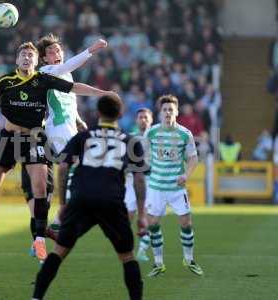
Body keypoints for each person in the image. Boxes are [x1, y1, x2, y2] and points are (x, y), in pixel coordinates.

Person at [0, 42, 116, 263]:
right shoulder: (6, 80)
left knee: (40, 187)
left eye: (30, 56)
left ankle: (40, 240)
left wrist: (103, 93)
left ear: (36, 62)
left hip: (34, 137)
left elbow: (74, 88)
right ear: (17, 60)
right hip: (9, 138)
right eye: (23, 55)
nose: (26, 58)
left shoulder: (43, 79)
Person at [32, 95, 147, 300]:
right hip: (111, 200)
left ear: (98, 113)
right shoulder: (130, 141)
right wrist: (142, 214)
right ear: (120, 114)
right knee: (127, 256)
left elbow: (64, 166)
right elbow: (139, 179)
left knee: (59, 250)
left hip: (81, 198)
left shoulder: (83, 136)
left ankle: (36, 297)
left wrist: (63, 204)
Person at [19, 34, 108, 255]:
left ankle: (41, 235)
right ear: (44, 59)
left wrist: (78, 120)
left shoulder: (65, 74)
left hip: (68, 131)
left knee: (53, 188)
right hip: (56, 131)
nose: (56, 55)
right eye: (51, 52)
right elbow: (70, 70)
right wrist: (92, 49)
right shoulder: (47, 72)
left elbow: (70, 100)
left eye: (58, 50)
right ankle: (59, 219)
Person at [144, 94, 204, 277]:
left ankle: (189, 259)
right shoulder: (151, 133)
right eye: (165, 110)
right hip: (156, 187)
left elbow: (193, 158)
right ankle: (158, 263)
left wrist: (186, 174)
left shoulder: (185, 134)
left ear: (176, 112)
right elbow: (144, 157)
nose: (168, 112)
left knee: (186, 222)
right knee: (152, 223)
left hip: (177, 188)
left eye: (171, 109)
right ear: (160, 113)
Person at [124, 108, 153, 262]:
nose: (143, 120)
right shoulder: (131, 138)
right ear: (136, 120)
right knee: (128, 215)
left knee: (147, 215)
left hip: (149, 181)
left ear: (151, 120)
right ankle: (125, 247)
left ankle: (142, 250)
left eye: (145, 117)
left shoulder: (156, 138)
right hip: (131, 180)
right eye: (140, 117)